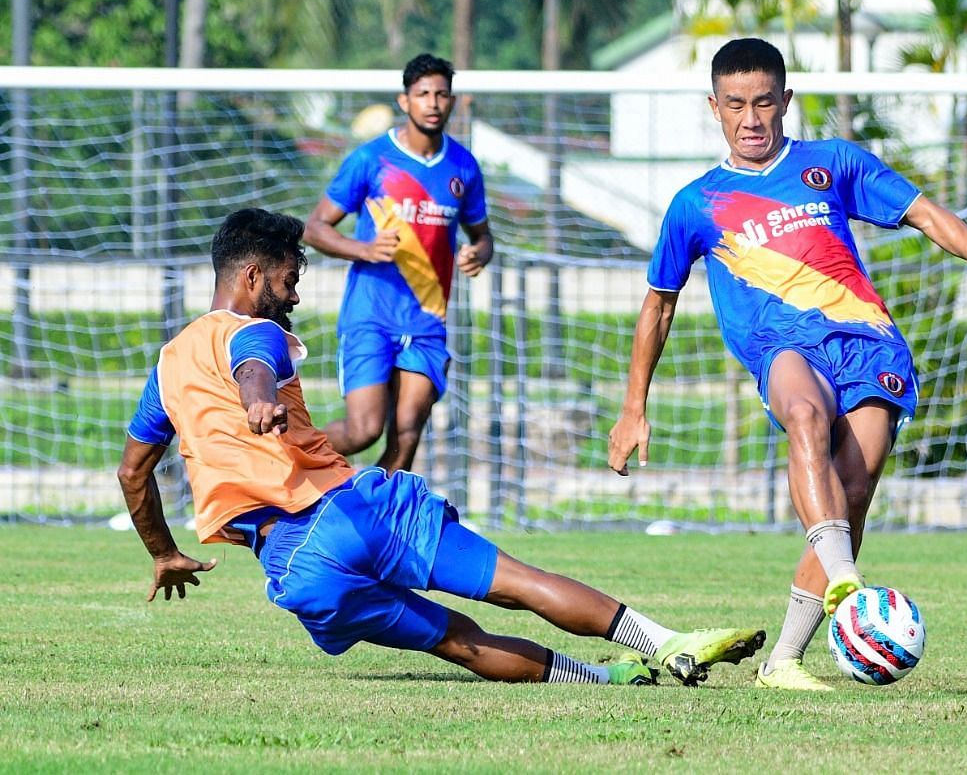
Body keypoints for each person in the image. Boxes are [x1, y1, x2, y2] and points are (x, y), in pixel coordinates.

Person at [117, 208, 765, 687]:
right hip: (350, 512)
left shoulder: (167, 367)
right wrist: (257, 393)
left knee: (457, 641)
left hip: (299, 568)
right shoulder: (253, 333)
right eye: (288, 280)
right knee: (519, 582)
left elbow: (133, 471)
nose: (294, 295)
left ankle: (606, 682)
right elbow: (251, 360)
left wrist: (163, 551)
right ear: (254, 274)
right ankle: (668, 640)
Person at [607, 38, 967, 691]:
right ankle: (847, 587)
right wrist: (633, 407)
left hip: (870, 344)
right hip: (782, 346)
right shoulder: (696, 203)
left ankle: (783, 660)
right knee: (805, 416)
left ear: (786, 101)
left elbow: (921, 211)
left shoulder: (831, 163)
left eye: (764, 102)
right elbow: (659, 307)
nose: (751, 118)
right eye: (735, 104)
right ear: (714, 107)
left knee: (854, 491)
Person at [303, 53, 491, 473]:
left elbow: (483, 236)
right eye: (423, 93)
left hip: (426, 323)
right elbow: (315, 228)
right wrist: (363, 249)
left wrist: (479, 253)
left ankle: (378, 527)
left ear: (453, 101)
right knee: (363, 430)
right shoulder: (372, 160)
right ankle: (286, 451)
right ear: (404, 101)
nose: (433, 102)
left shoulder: (464, 167)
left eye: (442, 94)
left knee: (407, 435)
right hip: (371, 316)